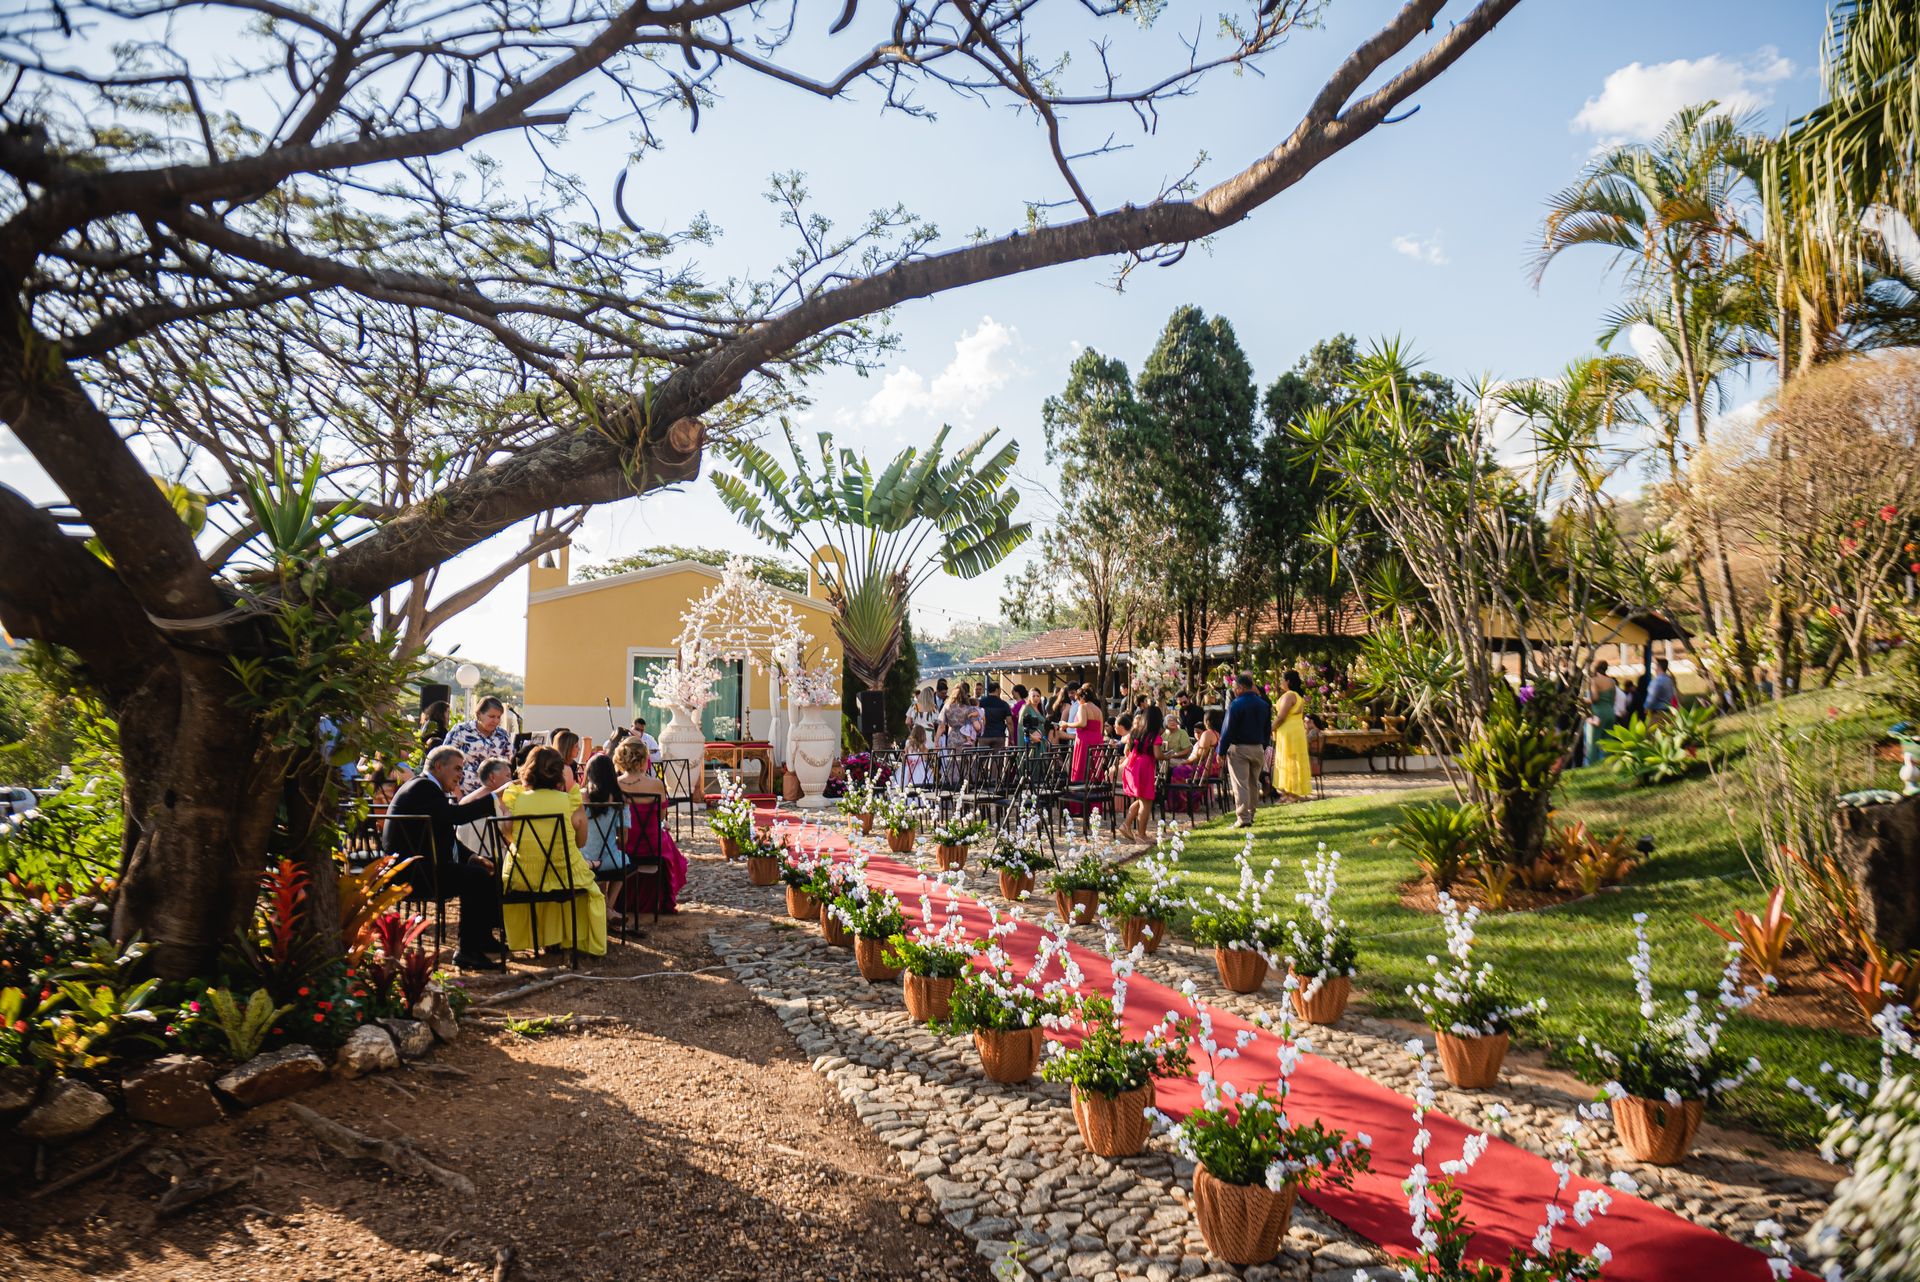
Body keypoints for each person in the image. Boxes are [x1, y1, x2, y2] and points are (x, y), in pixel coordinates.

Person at [384, 745, 512, 971]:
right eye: (457, 769)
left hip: (426, 866)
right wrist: (493, 797)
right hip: (415, 874)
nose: (460, 775)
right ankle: (467, 950)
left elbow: (446, 834)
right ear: (438, 766)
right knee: (476, 877)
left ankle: (482, 938)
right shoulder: (422, 788)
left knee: (490, 866)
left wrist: (472, 856)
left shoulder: (428, 789)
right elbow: (456, 817)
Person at [500, 746, 606, 958]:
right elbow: (581, 841)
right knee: (589, 888)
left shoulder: (515, 799)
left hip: (522, 876)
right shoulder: (569, 801)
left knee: (546, 878)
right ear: (559, 772)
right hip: (564, 873)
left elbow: (509, 836)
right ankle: (567, 938)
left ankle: (542, 938)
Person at [612, 737, 688, 914]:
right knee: (667, 840)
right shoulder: (656, 785)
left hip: (625, 843)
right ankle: (661, 899)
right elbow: (660, 816)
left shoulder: (616, 785)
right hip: (652, 845)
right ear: (643, 759)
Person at [1218, 674, 1272, 827]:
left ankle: (1243, 818)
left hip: (1239, 748)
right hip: (1258, 748)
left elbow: (1227, 730)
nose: (1234, 691)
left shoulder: (1236, 704)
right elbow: (1267, 729)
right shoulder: (1263, 704)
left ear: (1240, 688)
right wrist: (1264, 745)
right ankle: (1251, 813)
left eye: (1235, 688)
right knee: (1253, 783)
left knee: (1240, 784)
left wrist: (1220, 751)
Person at [444, 696, 513, 795]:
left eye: (498, 717)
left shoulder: (503, 735)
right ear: (479, 714)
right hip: (463, 794)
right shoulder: (460, 731)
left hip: (493, 796)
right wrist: (457, 795)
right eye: (492, 716)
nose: (496, 721)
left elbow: (507, 765)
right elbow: (447, 762)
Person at [1119, 704, 1163, 843]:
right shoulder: (1154, 735)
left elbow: (1127, 751)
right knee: (1146, 802)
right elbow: (1158, 755)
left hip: (1133, 766)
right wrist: (1168, 755)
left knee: (1140, 799)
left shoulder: (1137, 732)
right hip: (1144, 767)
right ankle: (1141, 835)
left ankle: (1126, 824)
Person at [1271, 670, 1313, 801]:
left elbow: (1281, 716)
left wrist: (1270, 728)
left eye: (1282, 680)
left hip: (1289, 732)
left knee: (1289, 759)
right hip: (1296, 730)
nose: (1280, 683)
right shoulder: (1298, 696)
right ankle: (1289, 793)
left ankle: (1292, 793)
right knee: (1292, 759)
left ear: (1288, 681)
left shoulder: (1289, 695)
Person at [1584, 659, 1618, 766]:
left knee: (1592, 743)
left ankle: (1591, 766)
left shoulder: (1594, 680)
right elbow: (1613, 699)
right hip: (1610, 712)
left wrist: (1585, 701)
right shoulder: (1612, 681)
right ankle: (1608, 765)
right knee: (1608, 741)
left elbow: (1595, 698)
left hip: (1597, 713)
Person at [978, 682, 1012, 748]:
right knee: (998, 757)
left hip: (984, 735)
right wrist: (1012, 737)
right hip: (999, 735)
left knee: (982, 757)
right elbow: (1009, 722)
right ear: (997, 690)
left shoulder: (981, 703)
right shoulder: (1004, 704)